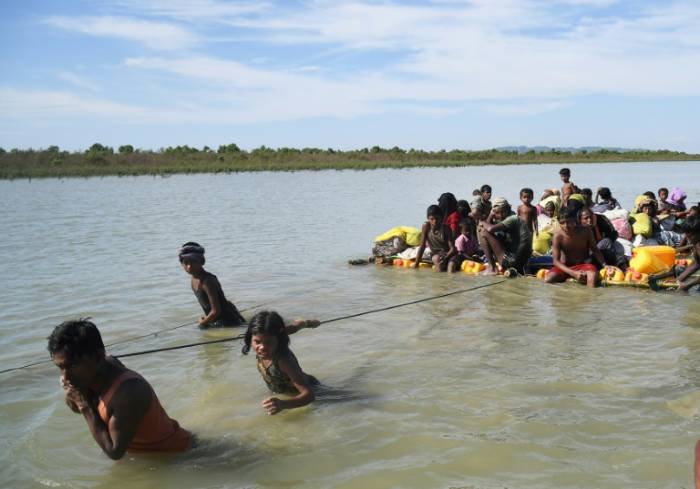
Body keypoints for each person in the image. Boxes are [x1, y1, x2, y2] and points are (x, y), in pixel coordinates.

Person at [48, 319, 192, 459]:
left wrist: (84, 405)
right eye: (60, 367)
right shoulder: (90, 372)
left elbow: (115, 452)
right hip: (146, 455)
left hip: (178, 456)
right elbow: (77, 408)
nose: (65, 376)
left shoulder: (128, 392)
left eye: (72, 366)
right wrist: (75, 396)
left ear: (98, 356)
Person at [242, 311, 320, 415]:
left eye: (268, 343)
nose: (262, 347)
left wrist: (283, 404)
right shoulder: (268, 336)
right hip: (287, 390)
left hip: (314, 390)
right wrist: (306, 323)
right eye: (257, 342)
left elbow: (309, 396)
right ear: (251, 338)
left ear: (279, 339)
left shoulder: (284, 360)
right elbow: (292, 328)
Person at [179, 242, 245, 328]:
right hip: (216, 320)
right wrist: (206, 319)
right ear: (181, 264)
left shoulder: (208, 281)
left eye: (194, 262)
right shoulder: (194, 279)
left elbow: (216, 311)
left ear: (202, 261)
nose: (189, 267)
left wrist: (202, 324)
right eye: (186, 263)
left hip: (228, 322)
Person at [545, 206, 605, 288]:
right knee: (548, 279)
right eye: (562, 223)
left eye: (569, 222)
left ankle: (590, 298)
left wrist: (605, 265)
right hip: (565, 267)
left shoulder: (586, 231)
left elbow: (595, 250)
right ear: (559, 223)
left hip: (583, 265)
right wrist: (572, 273)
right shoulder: (557, 236)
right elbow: (556, 261)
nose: (566, 226)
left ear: (575, 221)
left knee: (592, 275)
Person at [478, 197, 532, 274]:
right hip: (520, 261)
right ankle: (494, 266)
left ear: (508, 209)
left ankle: (492, 268)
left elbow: (489, 229)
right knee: (486, 229)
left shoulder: (512, 219)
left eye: (503, 212)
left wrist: (482, 222)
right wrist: (491, 215)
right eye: (497, 213)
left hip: (513, 262)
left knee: (482, 230)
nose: (500, 216)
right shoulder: (510, 218)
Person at [578, 206, 628, 270]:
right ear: (580, 220)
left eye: (591, 217)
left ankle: (624, 269)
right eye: (586, 218)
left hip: (601, 252)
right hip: (589, 258)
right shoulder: (579, 230)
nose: (589, 220)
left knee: (618, 254)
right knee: (606, 242)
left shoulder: (601, 219)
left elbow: (614, 234)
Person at [414, 205, 456, 271]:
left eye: (437, 218)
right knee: (437, 261)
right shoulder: (426, 226)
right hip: (435, 254)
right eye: (432, 219)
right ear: (428, 218)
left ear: (441, 218)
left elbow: (452, 249)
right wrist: (416, 265)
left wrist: (445, 258)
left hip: (448, 254)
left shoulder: (446, 229)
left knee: (450, 268)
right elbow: (422, 246)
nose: (435, 221)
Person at [677, 216, 700, 293]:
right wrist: (677, 280)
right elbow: (697, 264)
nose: (688, 239)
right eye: (686, 235)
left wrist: (689, 285)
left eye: (690, 236)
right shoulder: (695, 243)